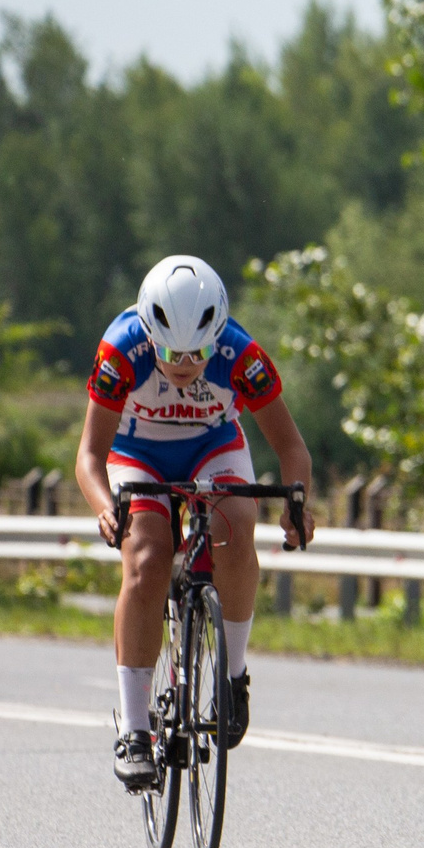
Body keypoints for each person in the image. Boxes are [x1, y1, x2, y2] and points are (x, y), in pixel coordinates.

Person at [76, 256, 317, 789]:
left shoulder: (242, 354)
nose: (184, 364)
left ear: (218, 337)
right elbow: (90, 456)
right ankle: (136, 731)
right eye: (170, 353)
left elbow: (291, 448)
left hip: (213, 448)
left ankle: (232, 677)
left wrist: (297, 505)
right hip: (137, 456)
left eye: (198, 352)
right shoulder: (121, 350)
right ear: (148, 335)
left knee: (235, 523)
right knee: (146, 559)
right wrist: (102, 506)